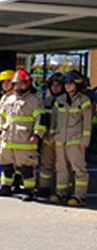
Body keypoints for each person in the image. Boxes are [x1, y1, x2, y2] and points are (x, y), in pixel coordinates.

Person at [0, 70, 45, 200]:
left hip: (25, 141)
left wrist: (37, 135)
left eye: (21, 84)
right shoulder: (8, 100)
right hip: (8, 139)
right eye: (16, 84)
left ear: (27, 84)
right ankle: (5, 187)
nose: (18, 87)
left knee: (26, 168)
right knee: (6, 165)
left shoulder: (34, 101)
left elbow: (41, 120)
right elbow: (2, 117)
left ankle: (28, 190)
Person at [51, 74, 92, 207]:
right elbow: (54, 120)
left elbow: (87, 123)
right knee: (61, 167)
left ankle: (79, 196)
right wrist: (53, 135)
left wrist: (85, 141)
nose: (67, 86)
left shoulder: (84, 101)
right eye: (66, 83)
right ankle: (61, 193)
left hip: (76, 140)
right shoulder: (60, 100)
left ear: (77, 85)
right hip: (60, 140)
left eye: (70, 83)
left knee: (79, 169)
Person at [37, 73, 64, 197]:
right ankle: (44, 188)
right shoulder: (45, 100)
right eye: (53, 85)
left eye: (58, 85)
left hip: (62, 138)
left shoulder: (67, 101)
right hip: (47, 138)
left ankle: (62, 191)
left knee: (62, 166)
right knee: (45, 165)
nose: (55, 88)